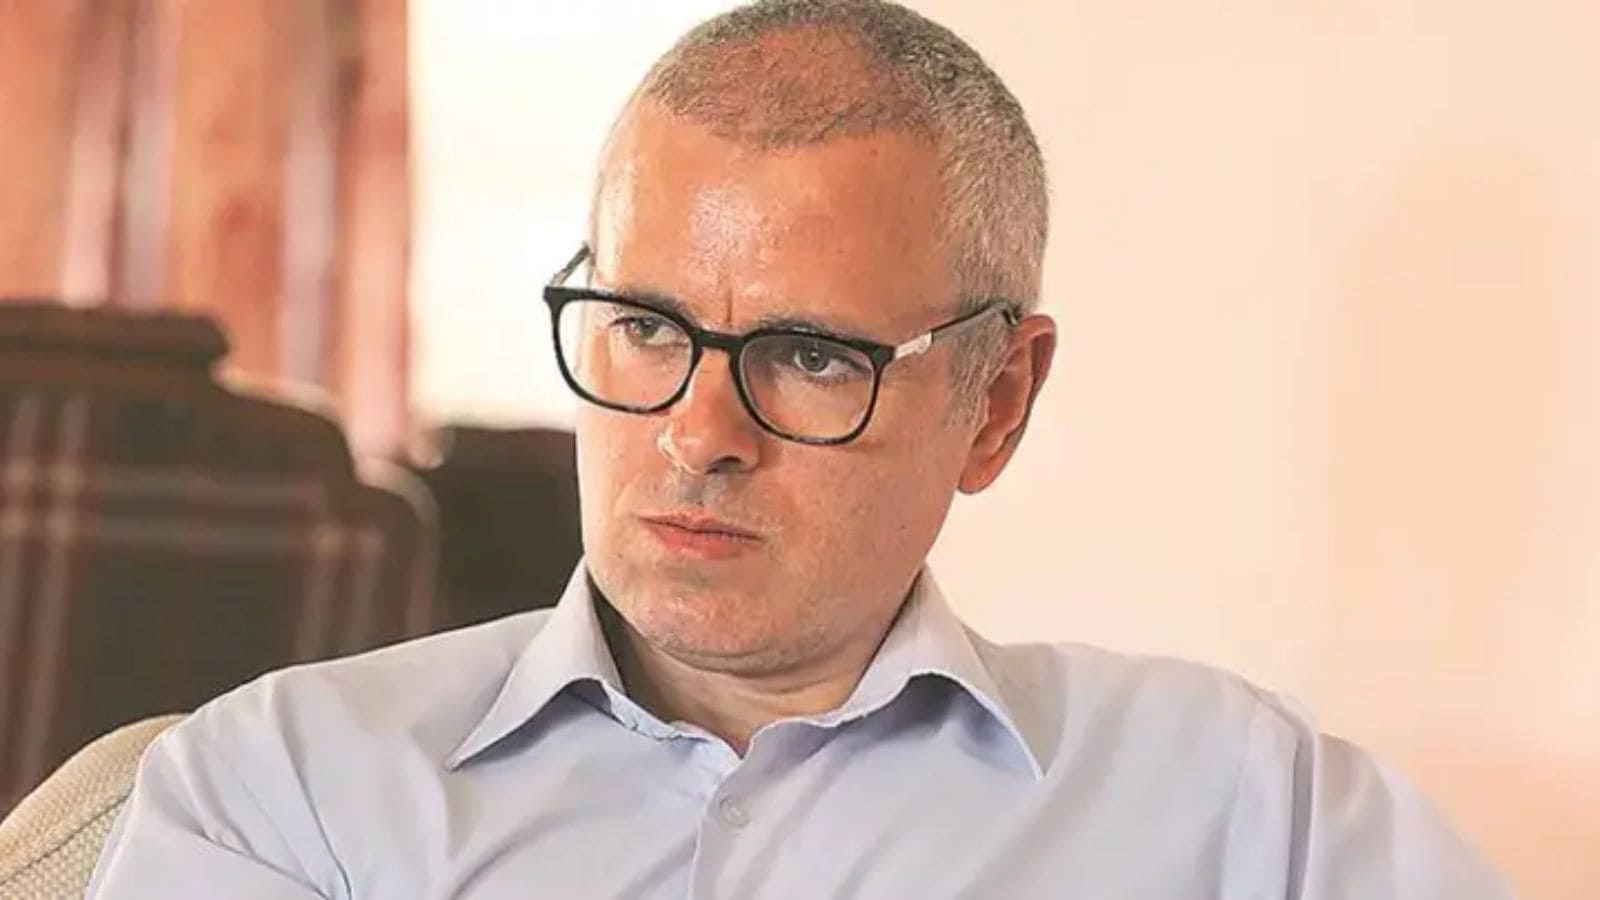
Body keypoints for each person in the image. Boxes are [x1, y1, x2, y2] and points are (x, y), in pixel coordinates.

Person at [89, 1, 1511, 897]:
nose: (697, 435)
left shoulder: (1248, 813)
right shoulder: (284, 793)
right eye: (645, 327)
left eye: (812, 357)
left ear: (996, 403)